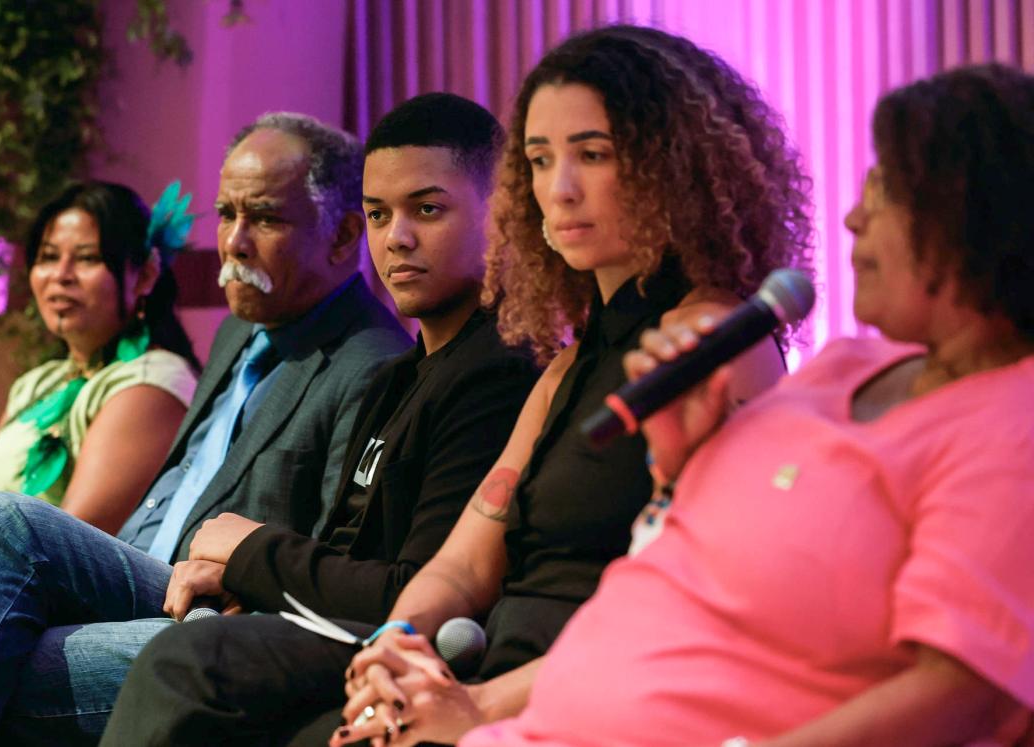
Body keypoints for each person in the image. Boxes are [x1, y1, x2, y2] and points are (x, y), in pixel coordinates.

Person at [109, 24, 812, 747]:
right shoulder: (570, 363)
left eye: (592, 155)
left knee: (202, 673)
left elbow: (692, 612)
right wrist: (394, 644)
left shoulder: (718, 343)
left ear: (672, 164)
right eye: (539, 161)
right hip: (491, 672)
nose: (558, 189)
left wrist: (477, 705)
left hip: (585, 700)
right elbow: (466, 558)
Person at [451, 62, 1034, 746]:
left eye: (887, 191)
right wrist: (681, 454)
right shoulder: (844, 368)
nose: (853, 215)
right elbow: (681, 559)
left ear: (979, 217)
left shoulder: (1009, 425)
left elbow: (961, 697)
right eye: (541, 160)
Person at [0, 112, 412, 747]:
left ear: (344, 236)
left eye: (263, 218)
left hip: (223, 616)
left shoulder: (370, 363)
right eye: (227, 215)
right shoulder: (241, 330)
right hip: (147, 582)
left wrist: (244, 572)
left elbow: (333, 568)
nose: (234, 242)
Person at [98, 91, 541, 746]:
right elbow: (340, 550)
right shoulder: (400, 376)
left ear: (498, 215)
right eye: (379, 214)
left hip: (411, 642)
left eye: (428, 209)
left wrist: (249, 551)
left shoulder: (497, 372)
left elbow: (419, 585)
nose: (398, 238)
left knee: (186, 661)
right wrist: (245, 575)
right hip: (333, 622)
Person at [0, 182, 201, 581]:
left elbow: (62, 548)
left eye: (86, 258)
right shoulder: (37, 385)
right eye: (48, 257)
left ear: (145, 274)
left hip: (60, 607)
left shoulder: (154, 381)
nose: (61, 276)